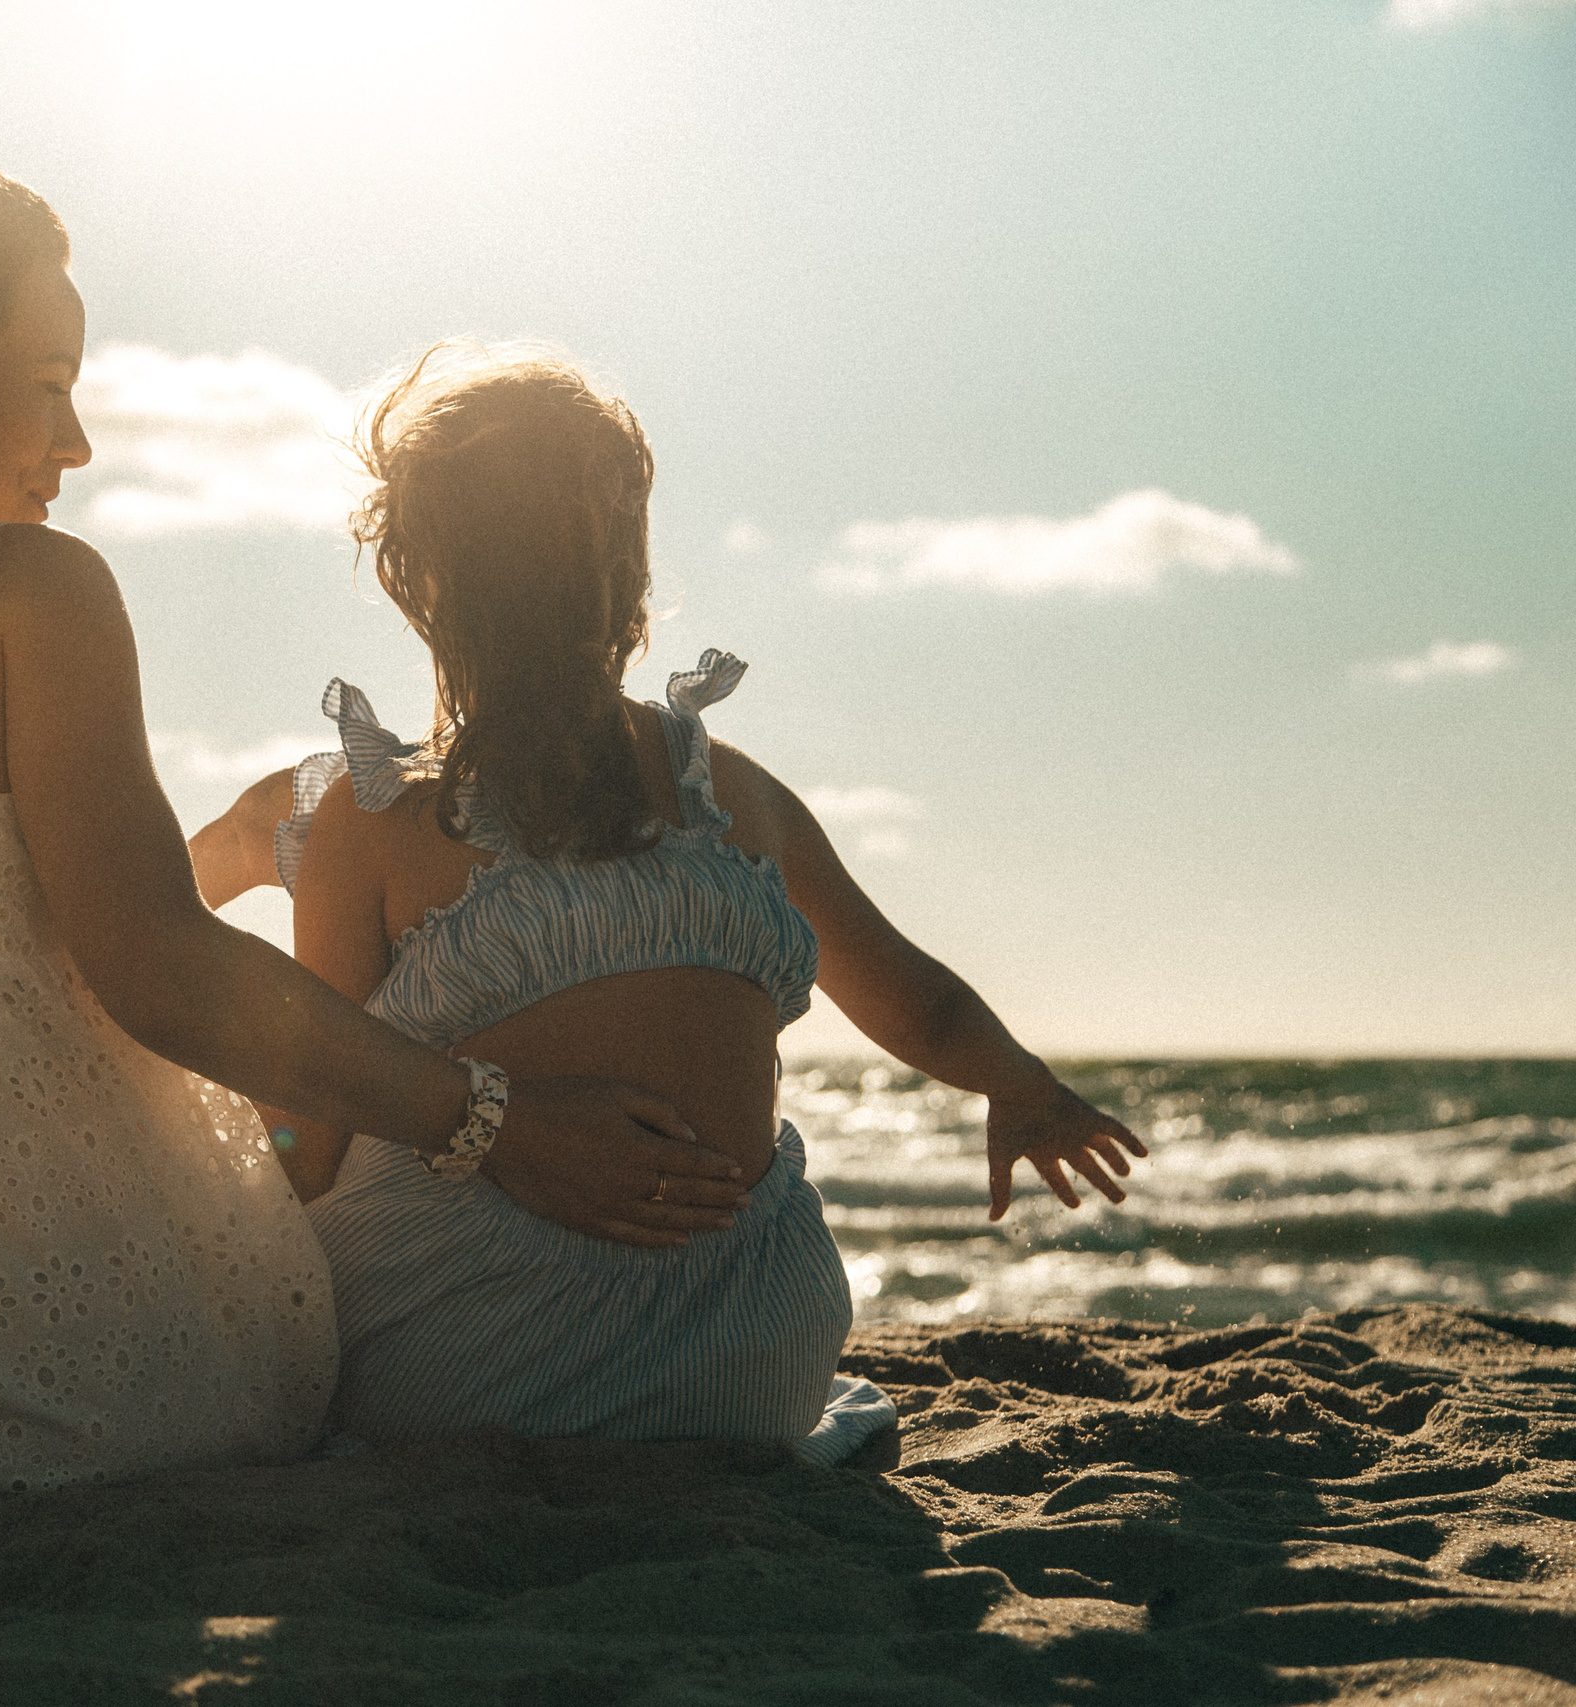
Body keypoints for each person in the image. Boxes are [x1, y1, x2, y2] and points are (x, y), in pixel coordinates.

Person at [0, 153, 746, 1491]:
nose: (78, 442)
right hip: (17, 1336)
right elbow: (155, 965)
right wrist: (495, 1118)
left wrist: (253, 848)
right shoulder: (28, 587)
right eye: (48, 382)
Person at [191, 345, 1145, 1462]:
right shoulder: (733, 796)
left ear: (419, 583)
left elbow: (311, 1135)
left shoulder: (374, 824)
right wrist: (1021, 1087)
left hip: (462, 1363)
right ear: (628, 569)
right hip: (752, 1360)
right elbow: (915, 1000)